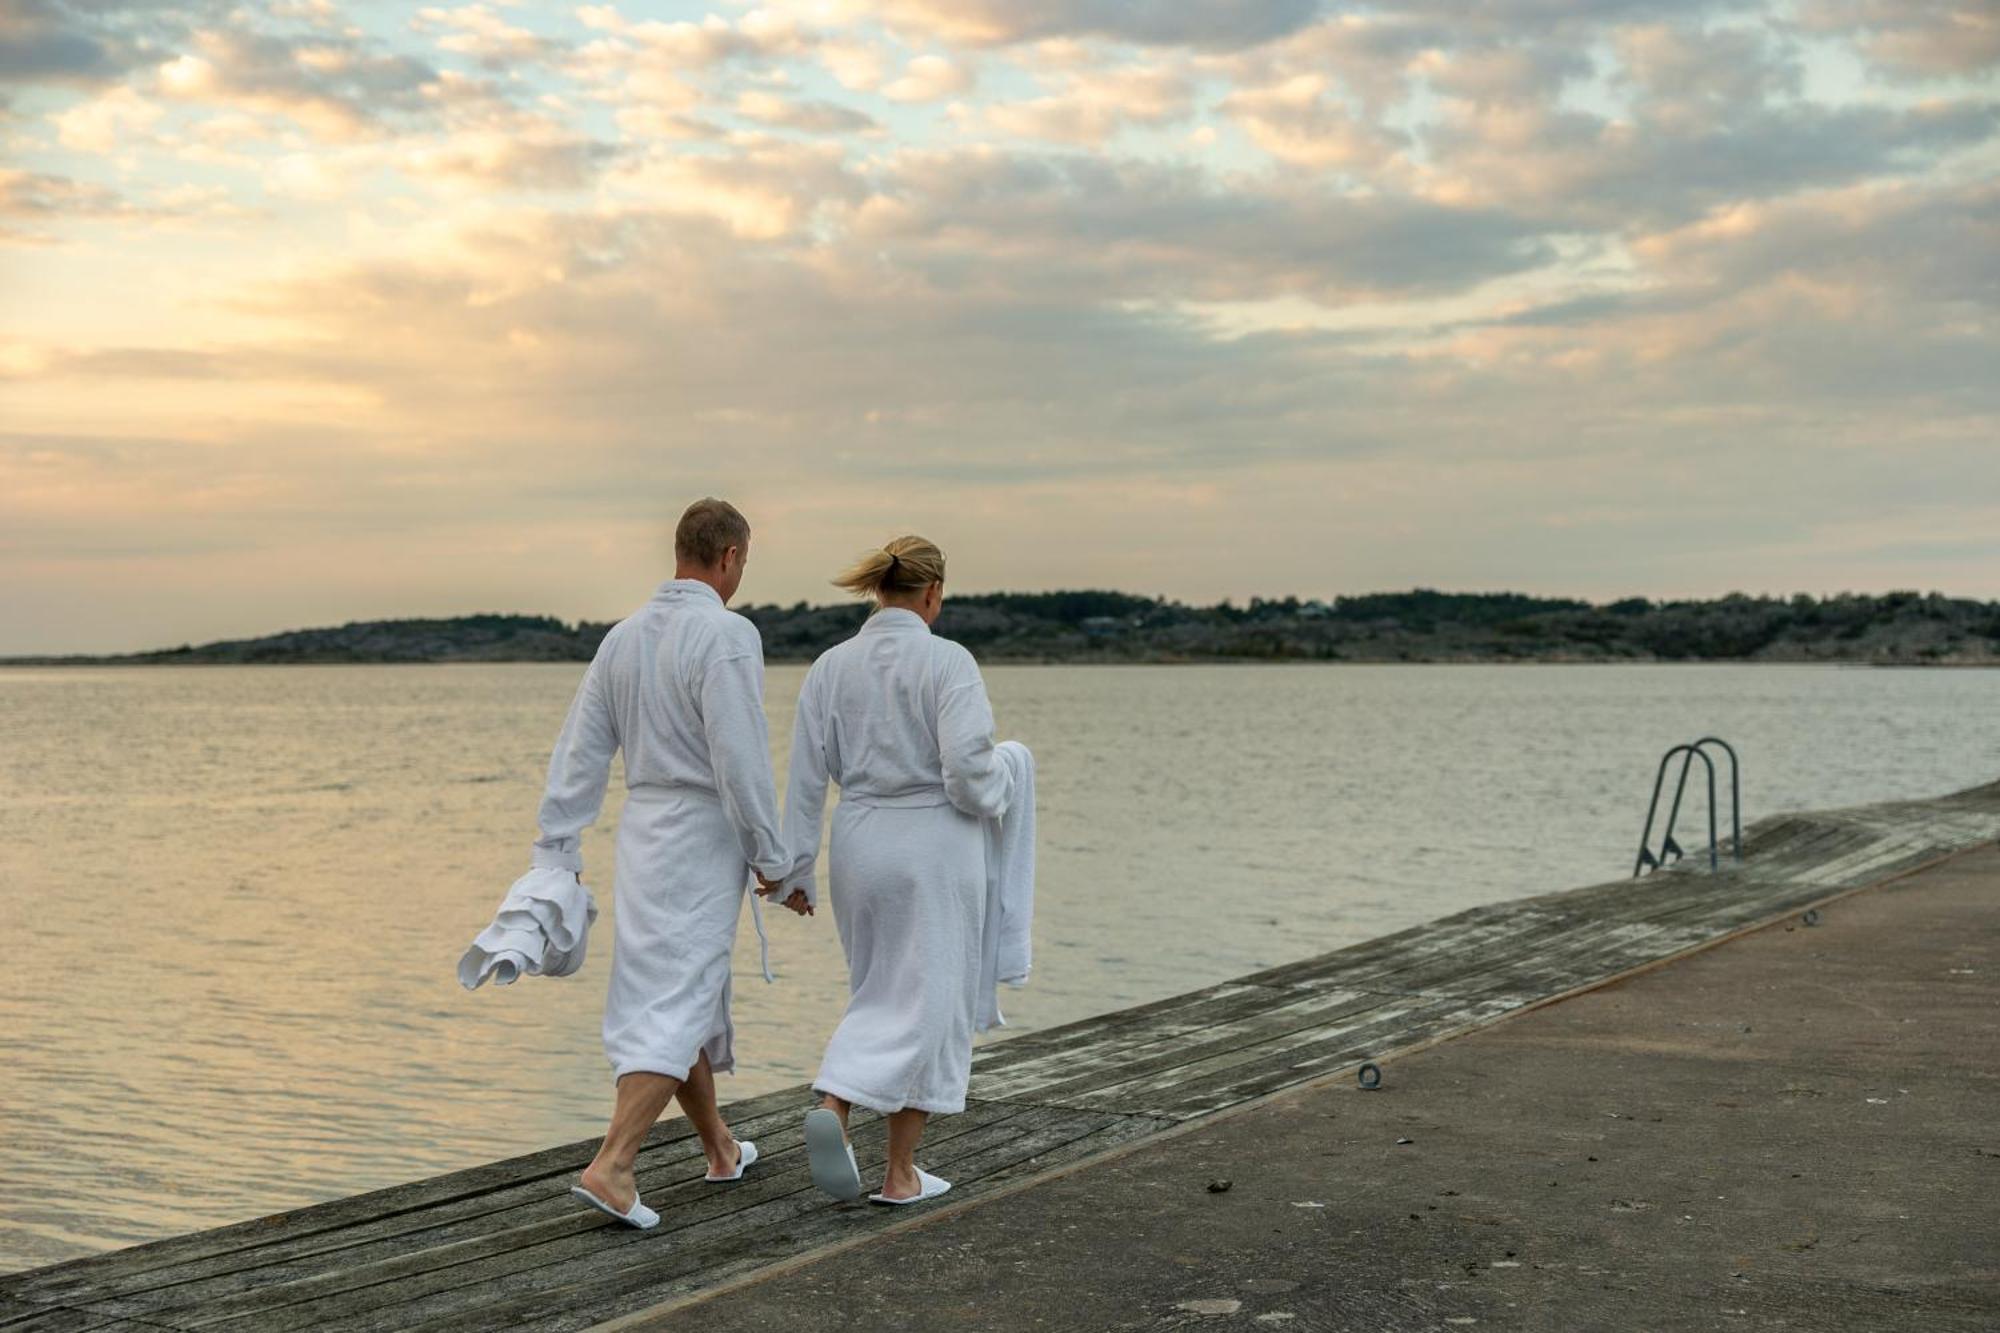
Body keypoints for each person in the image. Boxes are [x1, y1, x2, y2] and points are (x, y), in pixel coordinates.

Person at [531, 497, 809, 1230]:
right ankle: (613, 1164)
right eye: (742, 562)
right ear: (730, 558)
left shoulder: (622, 639)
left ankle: (720, 1147)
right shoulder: (727, 635)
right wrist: (773, 858)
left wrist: (557, 843)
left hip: (644, 830)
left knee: (670, 985)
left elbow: (580, 751)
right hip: (700, 830)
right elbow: (741, 759)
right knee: (681, 991)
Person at [770, 535, 1030, 1205]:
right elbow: (970, 778)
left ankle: (858, 1128)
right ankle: (889, 1160)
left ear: (878, 589)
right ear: (934, 593)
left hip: (857, 843)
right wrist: (1009, 773)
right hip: (932, 846)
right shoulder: (948, 662)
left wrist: (796, 870)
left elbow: (804, 778)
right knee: (928, 1004)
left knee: (880, 991)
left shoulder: (831, 665)